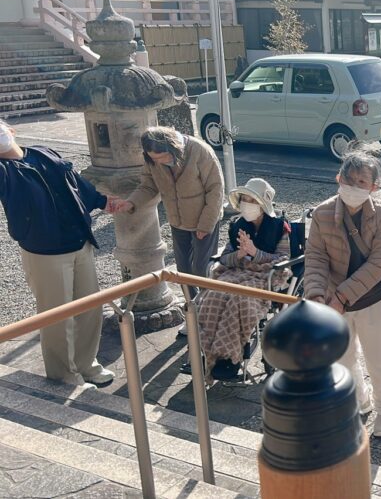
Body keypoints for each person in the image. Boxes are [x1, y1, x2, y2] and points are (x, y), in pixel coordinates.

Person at [0, 120, 115, 386]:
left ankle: (87, 363)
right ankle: (64, 372)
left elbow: (75, 182)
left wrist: (103, 201)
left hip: (79, 241)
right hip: (44, 251)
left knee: (90, 307)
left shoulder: (42, 152)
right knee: (57, 316)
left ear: (11, 131)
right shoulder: (4, 172)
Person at [303, 145, 381, 438]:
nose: (355, 187)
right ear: (338, 178)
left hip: (373, 300)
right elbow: (316, 257)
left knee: (379, 360)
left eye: (362, 182)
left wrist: (342, 296)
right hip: (333, 302)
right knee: (342, 359)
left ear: (374, 186)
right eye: (350, 179)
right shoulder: (322, 213)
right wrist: (317, 295)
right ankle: (360, 399)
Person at [189, 178, 290, 381]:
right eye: (243, 199)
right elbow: (225, 257)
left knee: (240, 300)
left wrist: (256, 252)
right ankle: (210, 353)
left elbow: (284, 259)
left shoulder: (280, 227)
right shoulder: (237, 226)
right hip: (236, 271)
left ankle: (229, 356)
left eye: (251, 200)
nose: (246, 204)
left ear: (262, 204)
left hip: (263, 276)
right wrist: (240, 254)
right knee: (211, 297)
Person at [118, 127, 224, 301]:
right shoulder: (152, 160)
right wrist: (131, 202)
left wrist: (205, 225)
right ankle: (192, 305)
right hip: (177, 221)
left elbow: (216, 190)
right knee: (183, 271)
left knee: (202, 268)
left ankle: (210, 305)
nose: (159, 162)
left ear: (172, 147)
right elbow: (148, 186)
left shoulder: (199, 151)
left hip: (204, 220)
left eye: (162, 157)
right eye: (154, 159)